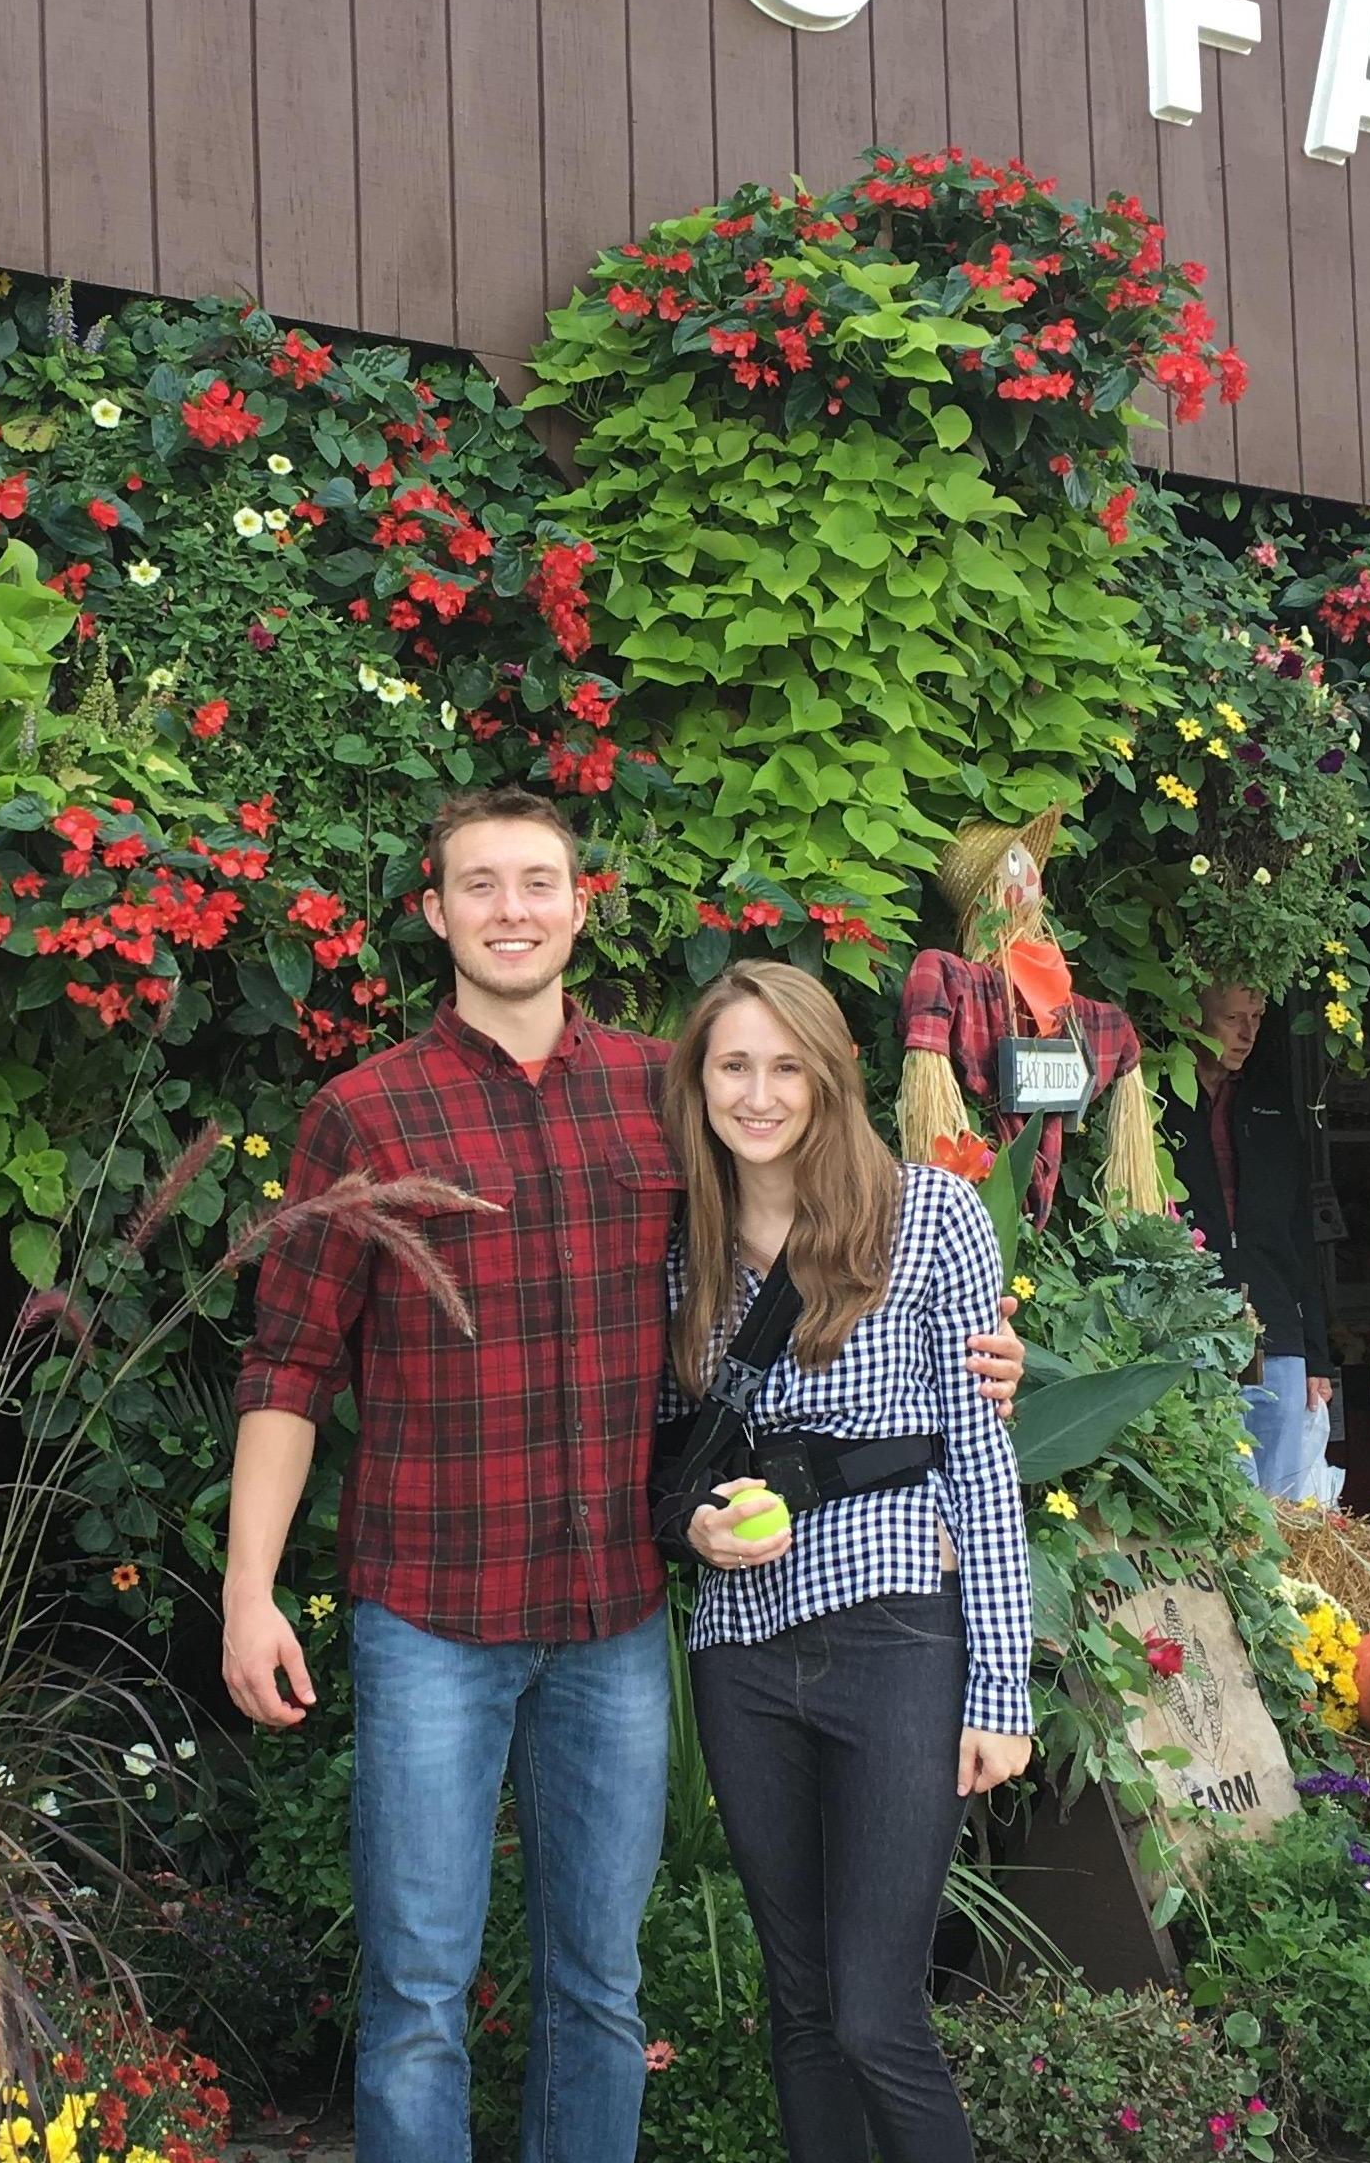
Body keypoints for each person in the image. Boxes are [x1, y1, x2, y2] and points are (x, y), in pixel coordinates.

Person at [220, 789, 1025, 2163]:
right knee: (417, 1996)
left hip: (609, 1618)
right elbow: (289, 1366)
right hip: (431, 1609)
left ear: (580, 906)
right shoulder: (362, 1116)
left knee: (598, 1985)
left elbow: (817, 1218)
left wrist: (982, 1351)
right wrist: (249, 1590)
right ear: (434, 912)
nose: (512, 910)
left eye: (538, 882)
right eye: (481, 885)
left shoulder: (665, 1098)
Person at [666, 959, 1032, 2163]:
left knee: (876, 2012)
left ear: (831, 1076)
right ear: (698, 1082)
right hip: (739, 1651)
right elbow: (660, 1459)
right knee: (803, 2006)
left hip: (891, 1628)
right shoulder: (680, 1247)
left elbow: (977, 1458)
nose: (757, 1093)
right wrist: (694, 1525)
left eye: (786, 1066)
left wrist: (1001, 1686)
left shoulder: (928, 1215)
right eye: (732, 1065)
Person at [1163, 984, 1331, 1498]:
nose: (1248, 1034)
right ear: (1191, 1019)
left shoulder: (1269, 1102)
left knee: (1284, 1508)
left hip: (1278, 1330)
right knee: (1225, 1502)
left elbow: (1301, 1233)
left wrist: (1317, 1355)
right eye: (1233, 1018)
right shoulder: (1157, 1101)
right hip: (1193, 1331)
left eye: (1256, 1018)